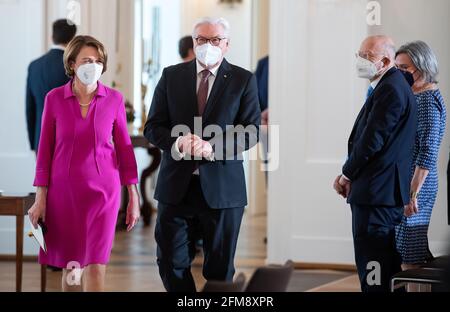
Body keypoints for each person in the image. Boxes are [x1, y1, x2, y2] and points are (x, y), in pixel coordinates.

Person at [144, 17, 260, 292]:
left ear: (227, 44)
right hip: (176, 187)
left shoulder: (243, 79)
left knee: (220, 269)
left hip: (223, 190)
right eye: (202, 40)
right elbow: (153, 127)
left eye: (215, 40)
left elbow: (251, 131)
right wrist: (178, 142)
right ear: (194, 42)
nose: (209, 45)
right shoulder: (171, 75)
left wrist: (213, 147)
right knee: (170, 261)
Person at [28, 35, 140, 292]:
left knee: (96, 266)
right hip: (63, 194)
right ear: (72, 64)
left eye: (98, 60)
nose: (93, 65)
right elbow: (44, 151)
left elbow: (125, 150)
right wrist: (40, 197)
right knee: (72, 267)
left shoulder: (114, 99)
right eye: (87, 60)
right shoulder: (54, 99)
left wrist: (133, 195)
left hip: (104, 194)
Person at [333, 35, 417, 292]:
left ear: (385, 60)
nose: (360, 60)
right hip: (382, 192)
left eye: (367, 56)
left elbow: (372, 140)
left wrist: (346, 174)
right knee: (386, 263)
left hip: (376, 193)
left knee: (373, 267)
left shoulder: (391, 88)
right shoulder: (393, 84)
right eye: (359, 54)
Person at [394, 41, 446, 271]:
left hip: (417, 184)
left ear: (423, 69)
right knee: (408, 248)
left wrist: (412, 193)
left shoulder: (427, 101)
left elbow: (428, 151)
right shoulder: (415, 96)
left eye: (405, 68)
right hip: (409, 182)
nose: (399, 73)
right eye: (397, 68)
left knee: (410, 253)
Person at [26, 19, 77, 153]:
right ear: (73, 40)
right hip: (69, 140)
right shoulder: (75, 67)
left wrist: (34, 142)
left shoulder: (34, 66)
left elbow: (29, 108)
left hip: (40, 137)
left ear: (52, 37)